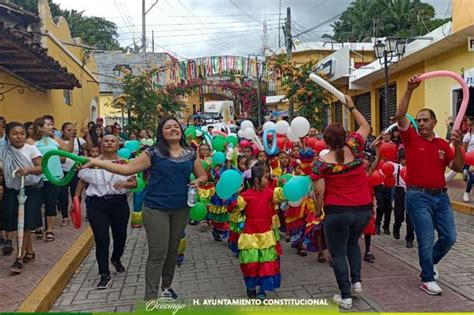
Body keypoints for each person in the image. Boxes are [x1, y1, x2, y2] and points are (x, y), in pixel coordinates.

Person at [81, 117, 207, 301]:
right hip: (156, 209)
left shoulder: (190, 153)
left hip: (181, 209)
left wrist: (198, 181)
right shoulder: (153, 152)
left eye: (176, 126)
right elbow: (128, 169)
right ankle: (150, 299)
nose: (173, 129)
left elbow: (203, 175)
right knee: (158, 253)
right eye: (168, 127)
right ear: (161, 133)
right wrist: (96, 162)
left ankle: (166, 287)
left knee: (173, 251)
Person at [395, 75, 463, 296]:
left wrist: (459, 145)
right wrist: (409, 89)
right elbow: (399, 115)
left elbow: (459, 167)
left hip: (441, 197)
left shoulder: (444, 144)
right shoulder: (411, 138)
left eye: (425, 119)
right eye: (419, 120)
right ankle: (426, 278)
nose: (421, 123)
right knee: (425, 239)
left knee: (449, 237)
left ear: (434, 122)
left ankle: (429, 263)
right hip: (418, 196)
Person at [312, 95, 371, 310]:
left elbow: (319, 192)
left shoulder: (320, 164)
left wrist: (318, 213)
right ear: (345, 136)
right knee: (353, 243)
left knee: (337, 253)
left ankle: (345, 296)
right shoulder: (355, 145)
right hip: (363, 209)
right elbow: (366, 125)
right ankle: (356, 283)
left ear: (326, 141)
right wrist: (351, 106)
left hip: (337, 212)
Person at [77, 134, 136, 289]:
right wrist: (75, 199)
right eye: (106, 141)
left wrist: (125, 183)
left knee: (120, 237)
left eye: (113, 141)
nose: (109, 143)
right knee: (101, 240)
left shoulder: (125, 163)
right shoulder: (91, 162)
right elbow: (82, 180)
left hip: (119, 204)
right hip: (96, 205)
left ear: (118, 145)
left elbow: (134, 183)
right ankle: (104, 273)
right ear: (101, 145)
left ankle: (116, 258)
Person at [0, 122, 43, 273]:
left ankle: (18, 258)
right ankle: (29, 252)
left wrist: (28, 170)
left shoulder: (31, 149)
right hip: (12, 191)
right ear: (7, 136)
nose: (19, 136)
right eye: (14, 133)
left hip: (31, 190)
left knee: (24, 223)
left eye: (22, 133)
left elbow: (41, 168)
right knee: (16, 223)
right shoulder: (4, 151)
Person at [28, 117, 74, 242]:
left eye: (52, 125)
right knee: (36, 204)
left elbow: (67, 150)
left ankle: (49, 230)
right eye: (48, 125)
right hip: (39, 177)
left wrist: (71, 137)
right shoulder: (32, 141)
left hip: (55, 176)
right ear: (40, 127)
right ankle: (38, 226)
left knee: (51, 203)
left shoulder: (54, 139)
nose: (51, 127)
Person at [239, 164, 280, 300]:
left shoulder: (269, 192)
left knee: (266, 263)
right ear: (256, 180)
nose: (268, 180)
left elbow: (282, 195)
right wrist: (234, 194)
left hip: (266, 234)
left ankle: (263, 289)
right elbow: (231, 208)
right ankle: (250, 287)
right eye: (265, 178)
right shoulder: (245, 196)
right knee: (251, 264)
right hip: (250, 235)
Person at [58, 123, 85, 226]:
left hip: (75, 170)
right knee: (63, 195)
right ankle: (65, 217)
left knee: (76, 194)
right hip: (62, 171)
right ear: (62, 131)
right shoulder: (58, 142)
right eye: (68, 130)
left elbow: (89, 147)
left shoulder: (79, 140)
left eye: (73, 130)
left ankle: (75, 210)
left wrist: (86, 133)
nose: (71, 132)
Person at [462, 116, 474, 202]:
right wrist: (466, 161)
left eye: (468, 121)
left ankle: (465, 171)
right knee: (473, 178)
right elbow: (464, 150)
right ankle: (466, 193)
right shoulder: (467, 136)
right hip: (470, 160)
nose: (467, 123)